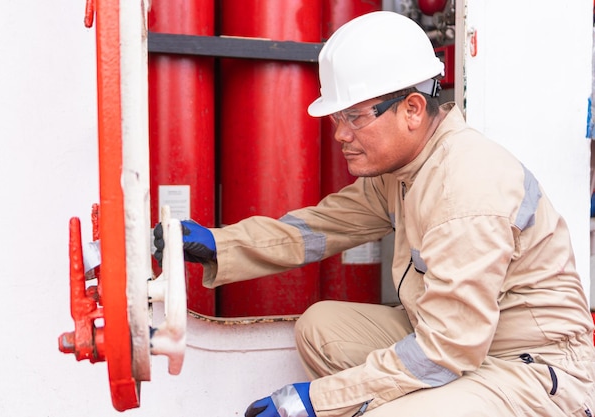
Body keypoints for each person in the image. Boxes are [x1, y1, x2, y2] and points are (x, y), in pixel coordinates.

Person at [159, 11, 595, 417]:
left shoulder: (466, 189)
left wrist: (314, 402)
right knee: (320, 328)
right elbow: (321, 228)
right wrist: (221, 244)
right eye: (336, 118)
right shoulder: (405, 170)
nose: (340, 135)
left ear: (411, 109)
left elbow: (446, 350)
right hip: (470, 345)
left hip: (534, 369)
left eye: (354, 117)